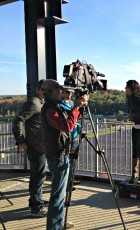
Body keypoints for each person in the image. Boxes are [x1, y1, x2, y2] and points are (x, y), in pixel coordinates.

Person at [40, 79, 89, 230]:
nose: (62, 92)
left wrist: (79, 107)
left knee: (60, 195)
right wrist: (75, 107)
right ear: (52, 92)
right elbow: (66, 126)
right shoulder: (50, 109)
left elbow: (71, 119)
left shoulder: (55, 106)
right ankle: (54, 226)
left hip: (60, 153)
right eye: (59, 89)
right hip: (58, 155)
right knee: (58, 196)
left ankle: (58, 223)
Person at [12, 79, 48, 217]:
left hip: (40, 145)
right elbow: (18, 120)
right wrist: (20, 140)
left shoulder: (42, 103)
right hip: (35, 146)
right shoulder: (34, 103)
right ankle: (36, 208)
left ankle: (35, 201)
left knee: (40, 175)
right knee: (37, 176)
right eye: (45, 89)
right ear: (38, 90)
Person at [125, 80, 140, 184]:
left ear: (131, 88)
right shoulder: (129, 98)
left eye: (126, 87)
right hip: (135, 126)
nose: (125, 89)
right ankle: (133, 175)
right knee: (135, 150)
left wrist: (134, 114)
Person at [60, 87, 81, 188]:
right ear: (62, 93)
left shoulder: (73, 104)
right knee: (66, 159)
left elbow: (78, 115)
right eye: (67, 92)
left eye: (71, 93)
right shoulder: (59, 105)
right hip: (66, 136)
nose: (70, 94)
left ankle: (71, 178)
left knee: (73, 158)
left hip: (74, 134)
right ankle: (66, 181)